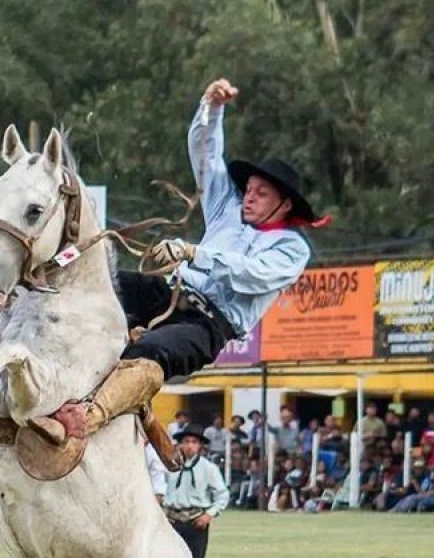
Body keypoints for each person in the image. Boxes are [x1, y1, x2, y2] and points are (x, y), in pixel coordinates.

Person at [34, 77, 329, 470]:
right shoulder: (229, 208)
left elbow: (253, 274)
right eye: (251, 188)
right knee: (106, 285)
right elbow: (205, 156)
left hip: (208, 324)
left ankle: (81, 421)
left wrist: (193, 252)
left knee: (149, 352)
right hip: (170, 292)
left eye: (261, 193)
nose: (250, 196)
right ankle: (35, 336)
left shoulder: (291, 248)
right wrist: (212, 107)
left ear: (284, 205)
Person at [163, 424, 229, 558]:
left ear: (200, 446)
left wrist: (209, 514)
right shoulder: (170, 466)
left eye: (194, 442)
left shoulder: (208, 468)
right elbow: (161, 487)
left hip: (195, 520)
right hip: (172, 520)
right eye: (186, 441)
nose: (189, 446)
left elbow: (222, 494)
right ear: (180, 444)